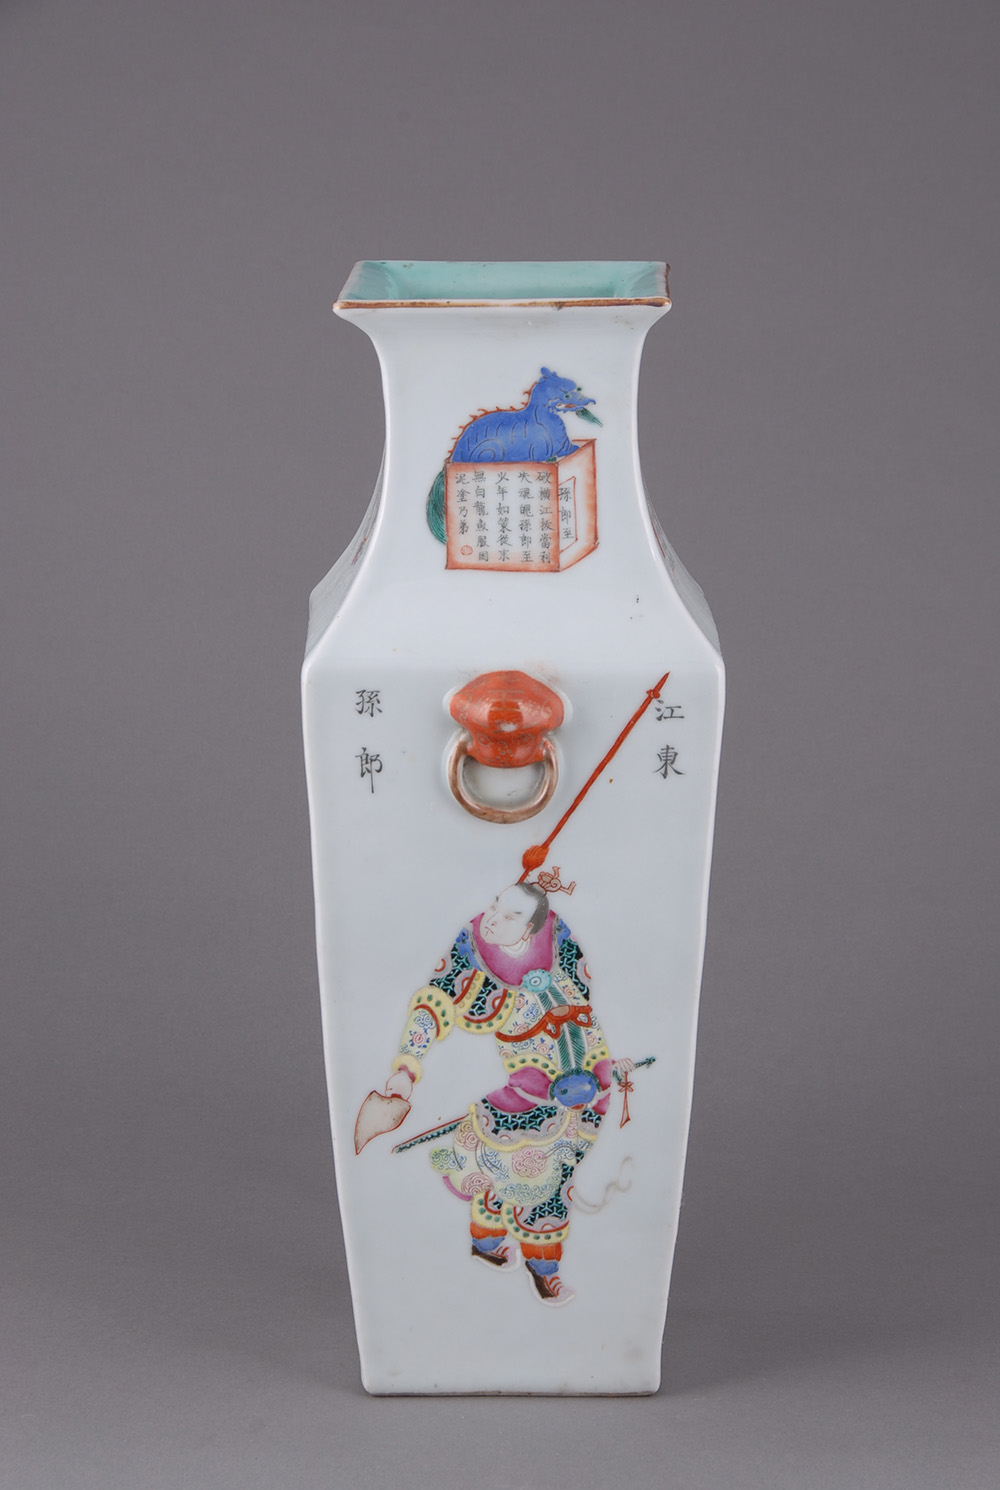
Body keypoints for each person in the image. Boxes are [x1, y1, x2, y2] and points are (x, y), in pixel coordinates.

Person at [384, 882, 633, 1307]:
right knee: (535, 1183)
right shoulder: (476, 956)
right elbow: (434, 1003)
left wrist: (607, 1071)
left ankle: (490, 1246)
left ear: (532, 927)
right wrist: (407, 1067)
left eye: (511, 916)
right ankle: (541, 1269)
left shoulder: (560, 949)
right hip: (527, 1103)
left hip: (584, 1098)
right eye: (495, 908)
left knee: (527, 1178)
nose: (494, 920)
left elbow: (586, 1026)